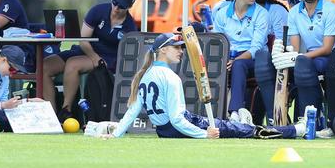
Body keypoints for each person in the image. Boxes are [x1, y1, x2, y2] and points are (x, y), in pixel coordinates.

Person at [108, 33, 304, 139]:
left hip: (164, 132)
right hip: (182, 127)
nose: (181, 51)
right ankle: (294, 131)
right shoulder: (170, 77)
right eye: (177, 47)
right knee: (243, 130)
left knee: (237, 127)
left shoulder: (145, 76)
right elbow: (177, 119)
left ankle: (291, 130)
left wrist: (116, 134)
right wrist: (205, 134)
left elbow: (132, 111)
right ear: (163, 50)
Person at [271, 0, 335, 138]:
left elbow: (328, 48)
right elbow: (296, 48)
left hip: (334, 54)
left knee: (313, 62)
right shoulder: (293, 13)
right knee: (301, 63)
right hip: (313, 57)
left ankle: (330, 122)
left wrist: (299, 56)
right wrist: (293, 56)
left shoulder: (330, 9)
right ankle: (309, 118)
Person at [43, 0, 138, 119]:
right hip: (86, 50)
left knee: (72, 64)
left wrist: (97, 59)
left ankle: (66, 110)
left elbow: (126, 54)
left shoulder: (130, 27)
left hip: (108, 58)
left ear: (129, 6)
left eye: (121, 6)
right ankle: (50, 115)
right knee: (45, 65)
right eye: (114, 2)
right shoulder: (97, 11)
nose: (116, 8)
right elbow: (83, 40)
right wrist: (93, 57)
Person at [213, 0, 269, 122]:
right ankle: (209, 115)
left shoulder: (262, 14)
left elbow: (256, 48)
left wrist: (235, 59)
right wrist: (225, 60)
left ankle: (234, 112)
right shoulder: (221, 14)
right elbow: (217, 42)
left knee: (238, 64)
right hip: (228, 56)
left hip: (255, 59)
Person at [0, 46, 43, 132]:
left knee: (8, 113)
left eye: (15, 72)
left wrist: (27, 102)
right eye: (12, 69)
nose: (12, 74)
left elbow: (4, 105)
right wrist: (3, 105)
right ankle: (15, 126)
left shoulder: (5, 77)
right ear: (4, 60)